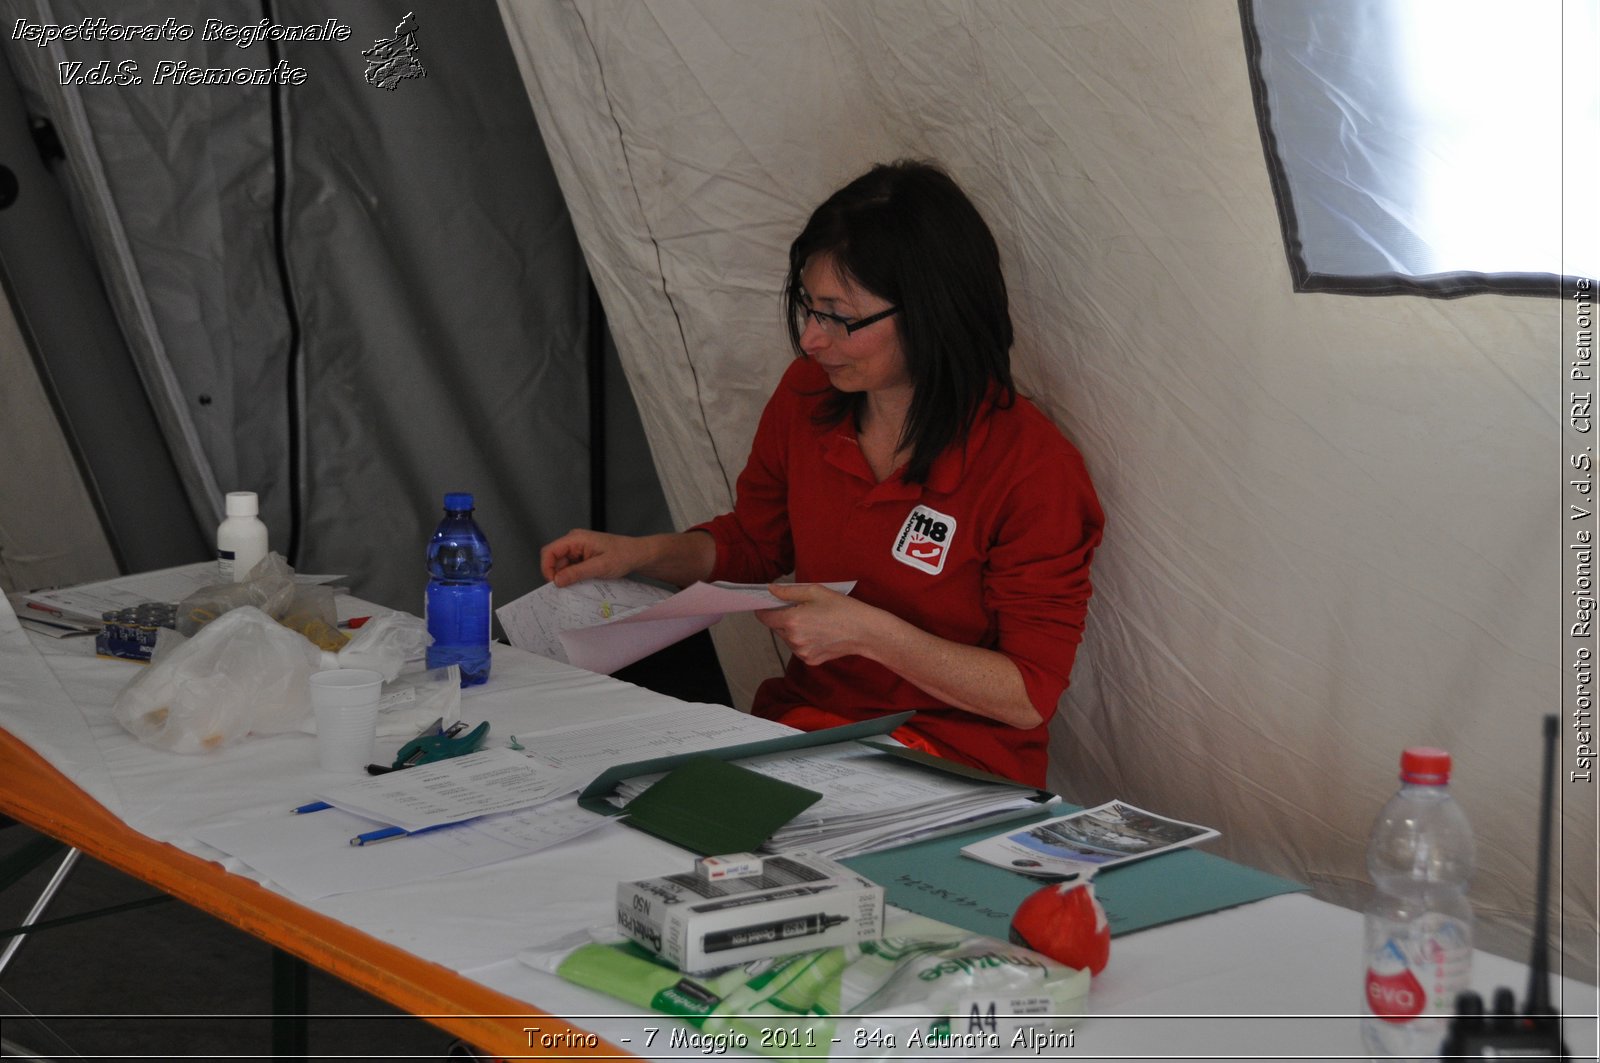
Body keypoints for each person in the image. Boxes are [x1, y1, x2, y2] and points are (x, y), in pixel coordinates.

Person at [540, 160, 1103, 787]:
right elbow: (754, 544)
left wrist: (869, 634)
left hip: (950, 764)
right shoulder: (809, 396)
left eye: (840, 317)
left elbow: (1026, 694)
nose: (811, 339)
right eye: (808, 308)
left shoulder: (1031, 468)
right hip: (805, 734)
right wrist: (638, 554)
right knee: (614, 799)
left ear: (932, 311)